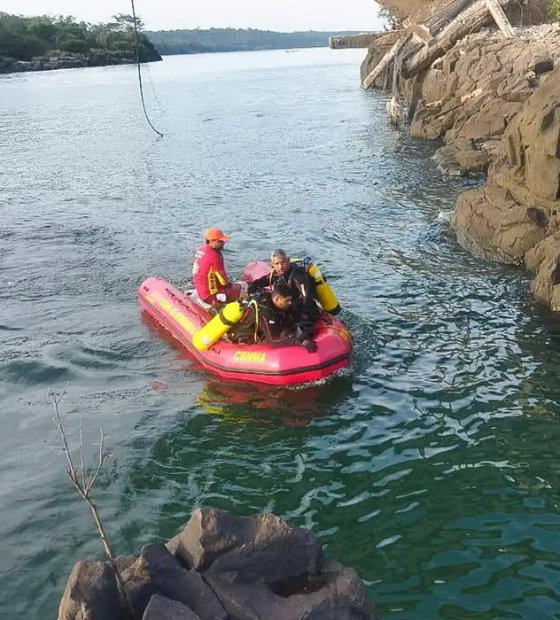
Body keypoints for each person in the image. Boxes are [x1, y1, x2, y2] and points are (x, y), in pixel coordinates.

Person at [229, 283, 318, 352]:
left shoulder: (275, 302)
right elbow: (273, 340)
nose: (290, 303)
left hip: (262, 327)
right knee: (284, 334)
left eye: (290, 300)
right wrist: (300, 341)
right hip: (245, 335)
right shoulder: (265, 311)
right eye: (287, 300)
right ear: (276, 299)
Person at [247, 249, 319, 325]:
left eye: (283, 262)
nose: (280, 266)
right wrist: (251, 292)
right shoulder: (276, 274)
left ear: (288, 260)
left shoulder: (299, 276)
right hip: (284, 306)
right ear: (272, 264)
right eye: (277, 263)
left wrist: (303, 319)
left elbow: (309, 299)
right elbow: (259, 283)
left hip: (297, 309)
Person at [192, 227, 240, 305]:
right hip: (210, 296)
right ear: (211, 241)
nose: (224, 243)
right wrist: (233, 286)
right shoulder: (215, 256)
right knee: (242, 291)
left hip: (200, 289)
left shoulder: (201, 249)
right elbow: (223, 282)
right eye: (220, 241)